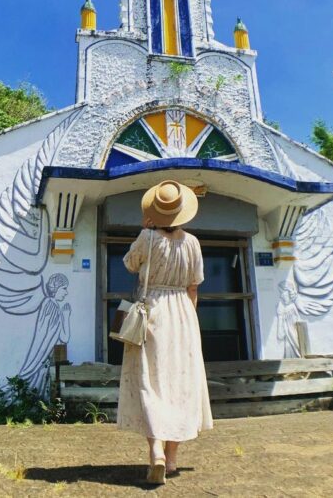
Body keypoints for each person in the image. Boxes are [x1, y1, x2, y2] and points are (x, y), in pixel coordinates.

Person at [116, 180, 213, 485]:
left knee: (151, 382)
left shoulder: (147, 238)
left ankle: (156, 451)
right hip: (183, 314)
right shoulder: (193, 243)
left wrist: (144, 231)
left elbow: (130, 264)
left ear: (155, 213)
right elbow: (194, 285)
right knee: (180, 385)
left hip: (153, 311)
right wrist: (188, 318)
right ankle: (171, 461)